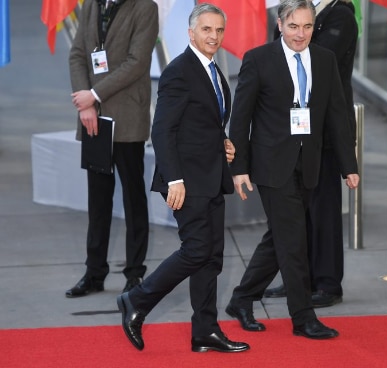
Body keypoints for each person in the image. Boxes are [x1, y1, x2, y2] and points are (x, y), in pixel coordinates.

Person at [116, 3, 249, 353]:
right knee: (196, 250)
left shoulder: (213, 71)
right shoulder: (179, 71)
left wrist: (223, 144)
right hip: (186, 182)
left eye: (219, 30)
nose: (214, 37)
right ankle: (137, 300)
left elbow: (203, 123)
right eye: (206, 30)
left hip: (210, 175)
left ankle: (205, 331)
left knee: (212, 256)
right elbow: (162, 130)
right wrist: (174, 179)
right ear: (191, 32)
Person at [225, 0, 360, 339]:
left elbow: (336, 115)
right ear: (281, 25)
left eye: (308, 26)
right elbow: (239, 119)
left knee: (282, 237)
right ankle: (303, 317)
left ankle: (241, 298)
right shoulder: (258, 59)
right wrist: (239, 167)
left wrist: (348, 166)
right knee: (294, 240)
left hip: (311, 162)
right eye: (294, 26)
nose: (301, 34)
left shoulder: (325, 60)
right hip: (272, 165)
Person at [264, 0, 359, 308]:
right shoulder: (302, 11)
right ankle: (299, 279)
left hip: (328, 129)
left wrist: (293, 29)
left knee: (324, 210)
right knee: (298, 210)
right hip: (297, 127)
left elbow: (312, 55)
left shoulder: (340, 15)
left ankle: (329, 283)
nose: (299, 31)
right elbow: (275, 53)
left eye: (303, 26)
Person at [66, 0, 158, 297]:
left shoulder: (145, 7)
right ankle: (94, 273)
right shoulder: (92, 4)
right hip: (94, 119)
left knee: (133, 198)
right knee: (98, 200)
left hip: (127, 117)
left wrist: (92, 94)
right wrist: (86, 105)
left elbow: (137, 62)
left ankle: (135, 273)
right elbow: (78, 54)